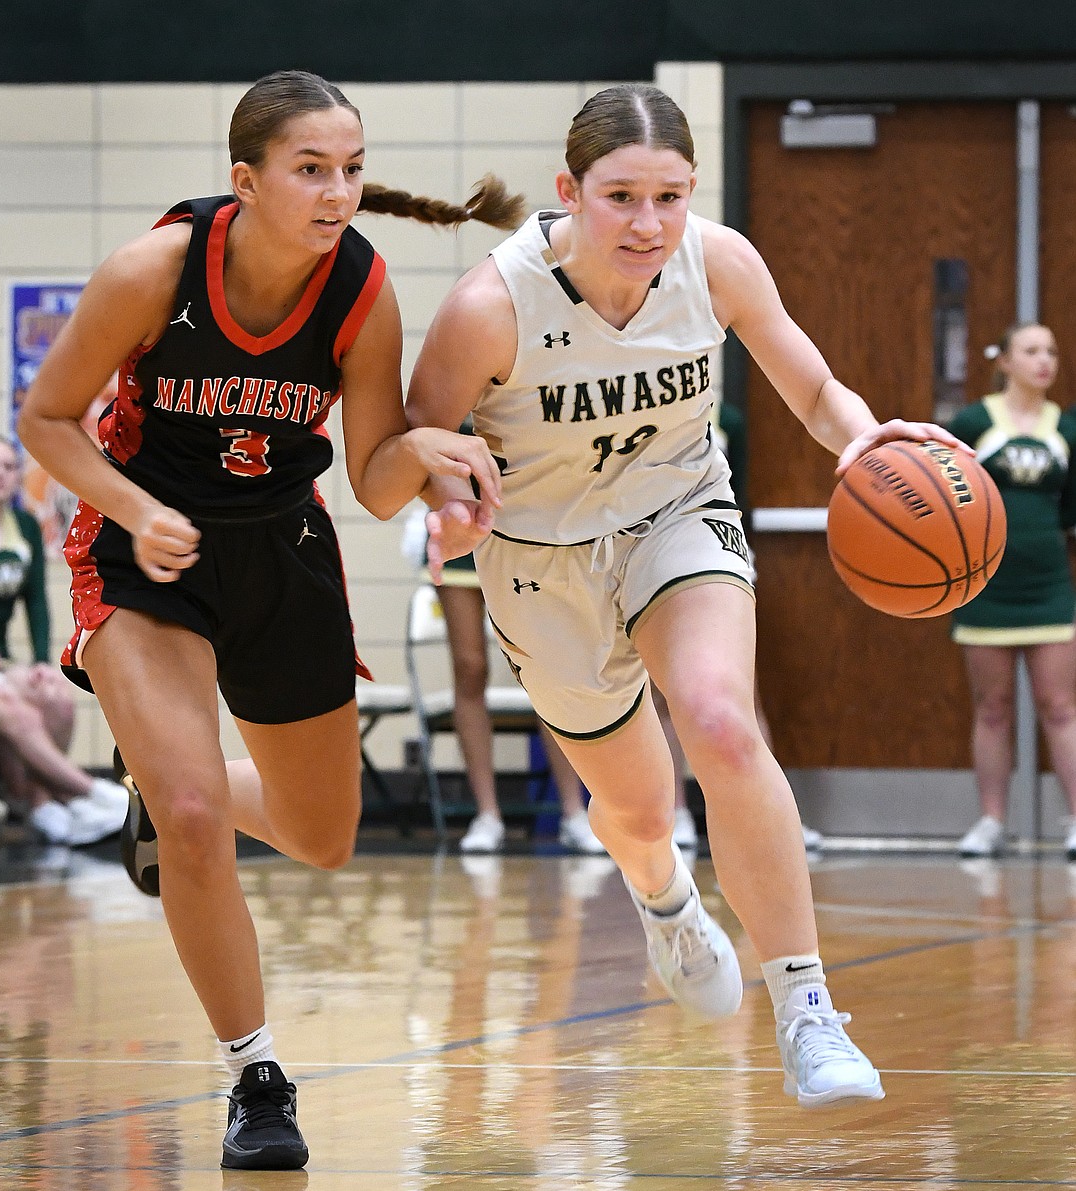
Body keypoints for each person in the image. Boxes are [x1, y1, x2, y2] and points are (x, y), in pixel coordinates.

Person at [405, 83, 971, 1107]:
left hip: (675, 513)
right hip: (539, 558)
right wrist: (443, 506)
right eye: (621, 197)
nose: (647, 223)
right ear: (568, 190)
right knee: (633, 804)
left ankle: (804, 1009)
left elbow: (807, 386)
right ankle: (664, 900)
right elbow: (420, 447)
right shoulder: (491, 307)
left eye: (669, 195)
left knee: (716, 719)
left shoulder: (716, 261)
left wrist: (860, 439)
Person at [17, 69, 521, 1170]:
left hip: (283, 551)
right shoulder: (157, 270)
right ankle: (255, 1074)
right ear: (245, 181)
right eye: (310, 170)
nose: (337, 190)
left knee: (323, 837)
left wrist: (432, 465)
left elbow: (373, 477)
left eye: (349, 168)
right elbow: (46, 420)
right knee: (201, 818)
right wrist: (139, 510)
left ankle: (160, 789)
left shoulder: (360, 288)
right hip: (146, 552)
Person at [654, 400, 824, 855]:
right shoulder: (632, 402)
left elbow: (736, 493)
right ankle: (676, 815)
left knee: (743, 697)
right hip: (646, 557)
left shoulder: (727, 420)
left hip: (716, 549)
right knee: (661, 697)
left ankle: (771, 822)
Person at [948, 324, 1076, 858]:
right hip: (986, 584)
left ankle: (1074, 823)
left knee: (1061, 705)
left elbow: (1069, 513)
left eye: (1051, 350)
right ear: (1005, 362)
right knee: (993, 708)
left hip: (1049, 585)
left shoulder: (1066, 427)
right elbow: (947, 499)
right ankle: (991, 822)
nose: (1045, 360)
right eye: (1032, 350)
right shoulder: (973, 422)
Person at [0, 433, 123, 843]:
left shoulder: (22, 525)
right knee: (16, 712)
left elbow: (37, 601)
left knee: (55, 696)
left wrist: (41, 660)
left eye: (8, 466)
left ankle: (43, 805)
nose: (0, 475)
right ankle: (89, 793)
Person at [433, 543, 603, 854]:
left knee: (546, 670)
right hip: (458, 538)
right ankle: (487, 815)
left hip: (522, 534)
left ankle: (574, 812)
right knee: (469, 669)